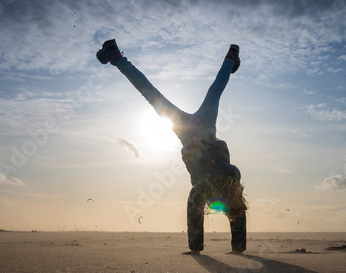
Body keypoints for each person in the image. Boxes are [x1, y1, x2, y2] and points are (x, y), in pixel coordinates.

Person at [97, 39, 248, 255]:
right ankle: (117, 58)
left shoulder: (232, 177)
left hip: (204, 128)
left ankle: (230, 57)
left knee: (212, 91)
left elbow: (231, 198)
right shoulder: (208, 188)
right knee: (152, 95)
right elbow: (205, 204)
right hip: (189, 134)